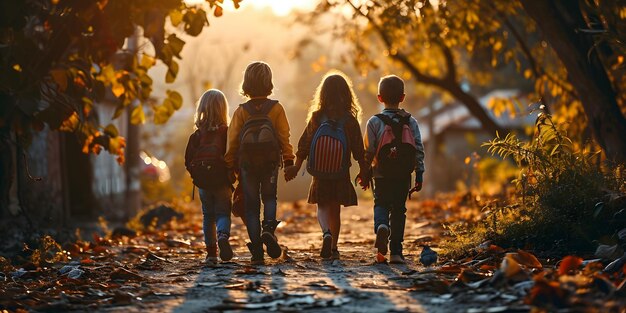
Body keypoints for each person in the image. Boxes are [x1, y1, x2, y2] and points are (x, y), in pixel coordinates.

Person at [285, 71, 368, 260]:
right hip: (340, 173)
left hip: (320, 172)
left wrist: (296, 167)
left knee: (322, 207)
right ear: (347, 95)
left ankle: (325, 233)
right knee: (335, 210)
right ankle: (334, 248)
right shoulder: (350, 121)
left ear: (322, 95)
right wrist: (364, 170)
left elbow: (304, 144)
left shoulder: (316, 117)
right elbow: (358, 150)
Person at [225, 61, 295, 265]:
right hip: (270, 164)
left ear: (246, 84)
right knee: (270, 198)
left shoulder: (241, 111)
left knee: (251, 208)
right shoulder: (276, 108)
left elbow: (232, 141)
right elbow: (284, 136)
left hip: (247, 165)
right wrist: (288, 160)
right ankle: (269, 230)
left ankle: (256, 250)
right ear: (269, 83)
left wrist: (229, 165)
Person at [363, 75, 425, 264]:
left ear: (379, 97)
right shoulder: (411, 121)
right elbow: (418, 149)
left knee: (381, 203)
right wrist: (419, 173)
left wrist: (365, 173)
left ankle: (382, 226)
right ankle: (396, 252)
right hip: (402, 174)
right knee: (399, 209)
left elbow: (368, 151)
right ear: (402, 97)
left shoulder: (374, 122)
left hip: (381, 174)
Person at [184, 89, 234, 266]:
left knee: (208, 216)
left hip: (203, 183)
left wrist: (197, 176)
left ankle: (211, 255)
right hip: (222, 181)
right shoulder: (226, 132)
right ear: (223, 109)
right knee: (223, 213)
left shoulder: (197, 135)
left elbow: (188, 160)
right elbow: (231, 155)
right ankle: (223, 235)